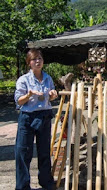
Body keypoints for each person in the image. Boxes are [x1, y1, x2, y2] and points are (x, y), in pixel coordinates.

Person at [14, 49, 58, 190]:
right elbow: (19, 101)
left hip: (44, 116)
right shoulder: (24, 80)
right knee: (23, 152)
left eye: (40, 58)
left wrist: (52, 95)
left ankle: (46, 182)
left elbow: (51, 96)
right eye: (34, 59)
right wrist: (29, 95)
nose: (37, 61)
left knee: (44, 151)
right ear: (29, 62)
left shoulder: (48, 78)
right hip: (27, 117)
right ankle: (22, 186)